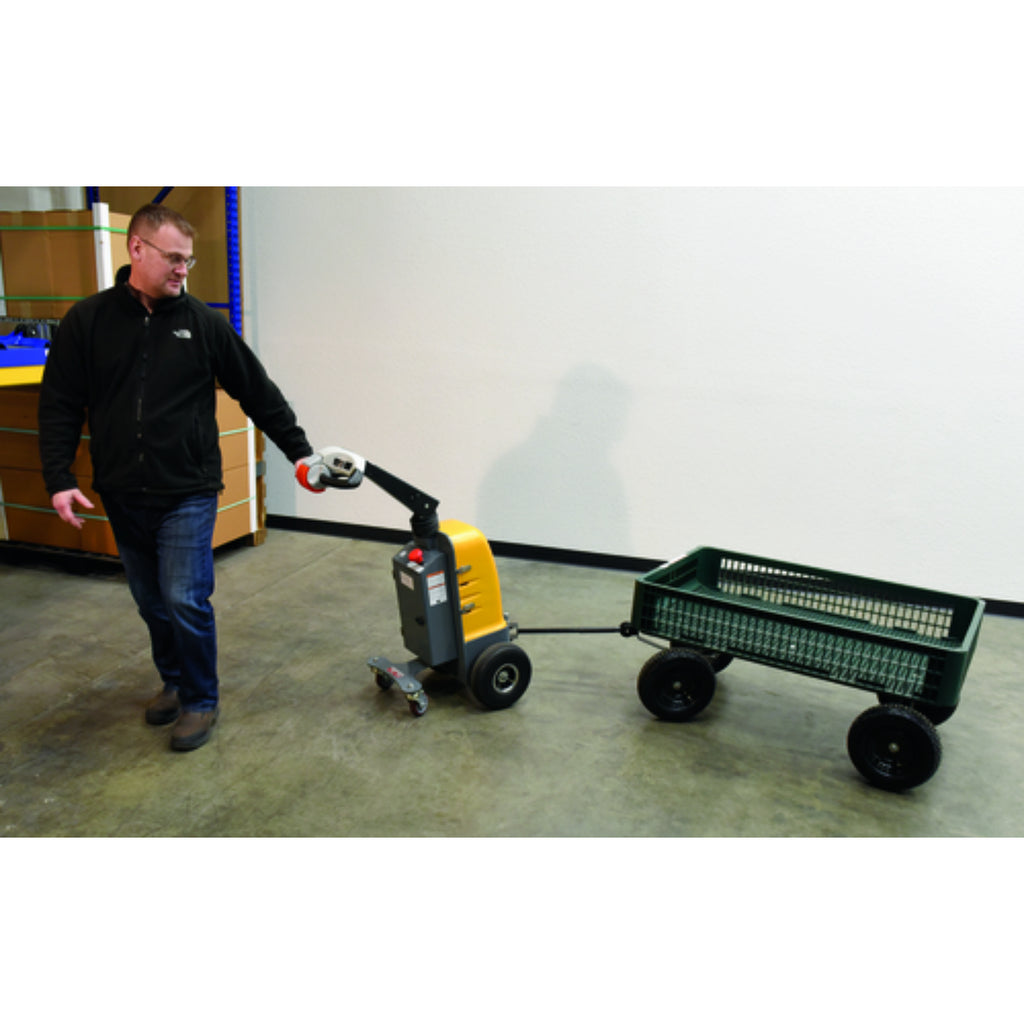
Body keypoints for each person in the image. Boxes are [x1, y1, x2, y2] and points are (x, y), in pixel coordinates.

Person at [38, 202, 316, 752]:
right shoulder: (87, 321)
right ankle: (174, 680)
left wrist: (301, 453)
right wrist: (58, 476)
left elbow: (257, 392)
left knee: (185, 596)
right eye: (173, 258)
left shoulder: (204, 325)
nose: (183, 269)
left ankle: (200, 699)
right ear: (136, 248)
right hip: (122, 489)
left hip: (188, 487)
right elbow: (60, 403)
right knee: (151, 600)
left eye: (188, 260)